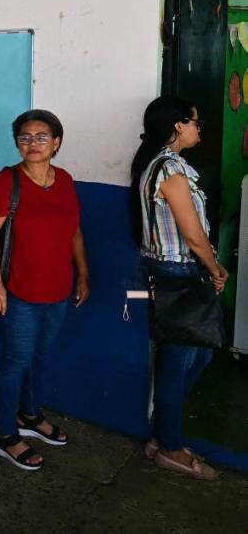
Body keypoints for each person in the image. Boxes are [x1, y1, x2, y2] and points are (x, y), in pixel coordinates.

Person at [0, 109, 89, 470]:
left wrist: (83, 274)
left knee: (39, 357)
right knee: (16, 361)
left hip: (58, 290)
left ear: (56, 142)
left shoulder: (66, 180)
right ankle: (6, 434)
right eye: (25, 137)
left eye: (42, 137)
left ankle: (30, 414)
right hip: (20, 292)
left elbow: (74, 231)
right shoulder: (6, 181)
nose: (32, 144)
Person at [130, 96, 225, 480]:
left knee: (194, 357)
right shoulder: (169, 169)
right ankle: (168, 446)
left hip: (177, 272)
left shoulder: (164, 165)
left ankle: (164, 434)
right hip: (178, 273)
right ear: (177, 126)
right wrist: (216, 268)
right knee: (178, 363)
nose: (198, 128)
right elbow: (193, 234)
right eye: (195, 122)